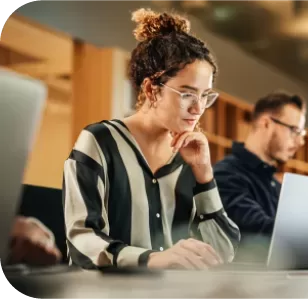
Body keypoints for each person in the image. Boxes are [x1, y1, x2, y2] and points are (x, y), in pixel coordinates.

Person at [62, 8, 240, 271]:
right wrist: (152, 259)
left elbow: (224, 252)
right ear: (151, 89)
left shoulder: (189, 156)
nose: (198, 108)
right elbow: (82, 242)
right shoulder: (99, 142)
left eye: (205, 96)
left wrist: (204, 176)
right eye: (187, 94)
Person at [213, 92, 306, 262]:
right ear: (266, 124)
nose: (300, 142)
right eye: (294, 130)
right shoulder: (225, 175)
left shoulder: (275, 186)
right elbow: (257, 231)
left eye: (301, 133)